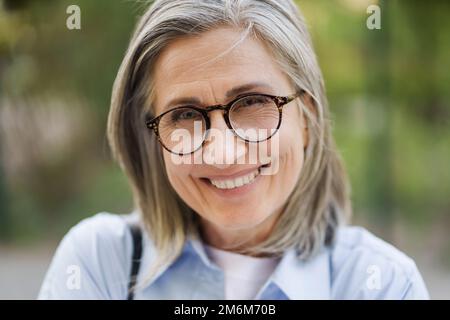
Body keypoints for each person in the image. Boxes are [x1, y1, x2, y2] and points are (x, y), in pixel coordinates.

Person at [38, 0, 429, 299]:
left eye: (253, 103)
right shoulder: (100, 262)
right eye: (185, 113)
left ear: (307, 120)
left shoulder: (379, 284)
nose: (223, 152)